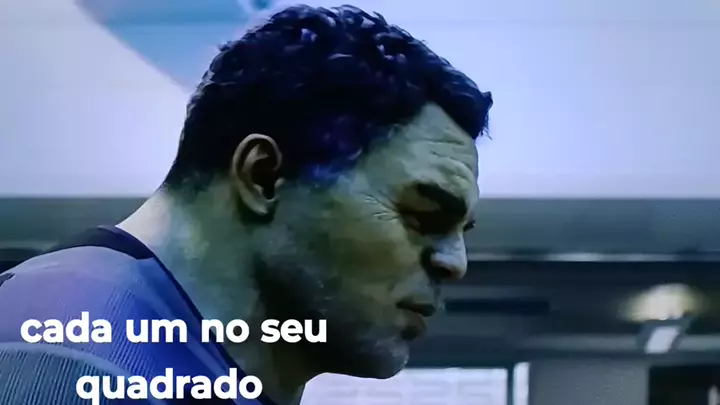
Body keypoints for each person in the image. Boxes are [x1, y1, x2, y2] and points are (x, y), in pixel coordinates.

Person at [0, 4, 492, 405]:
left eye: (461, 232)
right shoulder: (70, 350)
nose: (456, 264)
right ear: (264, 176)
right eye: (423, 216)